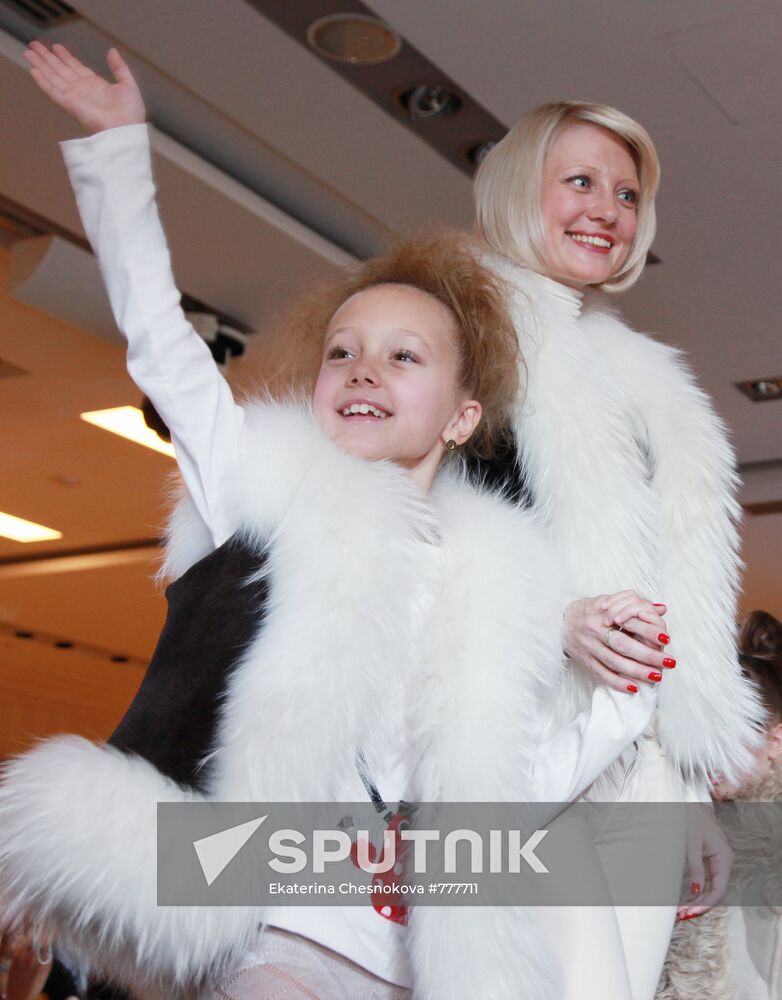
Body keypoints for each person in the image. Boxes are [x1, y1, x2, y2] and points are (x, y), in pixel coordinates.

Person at [0, 46, 667, 1000]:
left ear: (463, 414)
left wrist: (626, 700)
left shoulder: (494, 573)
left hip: (405, 948)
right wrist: (116, 151)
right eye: (344, 352)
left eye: (404, 357)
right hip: (270, 921)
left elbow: (511, 776)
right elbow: (161, 345)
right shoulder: (264, 483)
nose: (364, 370)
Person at [472, 101, 765, 999]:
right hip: (521, 749)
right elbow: (415, 543)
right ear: (523, 191)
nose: (607, 208)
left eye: (627, 192)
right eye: (581, 182)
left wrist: (686, 793)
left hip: (637, 761)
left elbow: (669, 607)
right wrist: (550, 619)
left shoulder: (637, 377)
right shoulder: (464, 339)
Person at [657, 609, 782, 1000]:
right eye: (706, 734)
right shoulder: (683, 817)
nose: (712, 756)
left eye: (731, 739)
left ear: (776, 741)